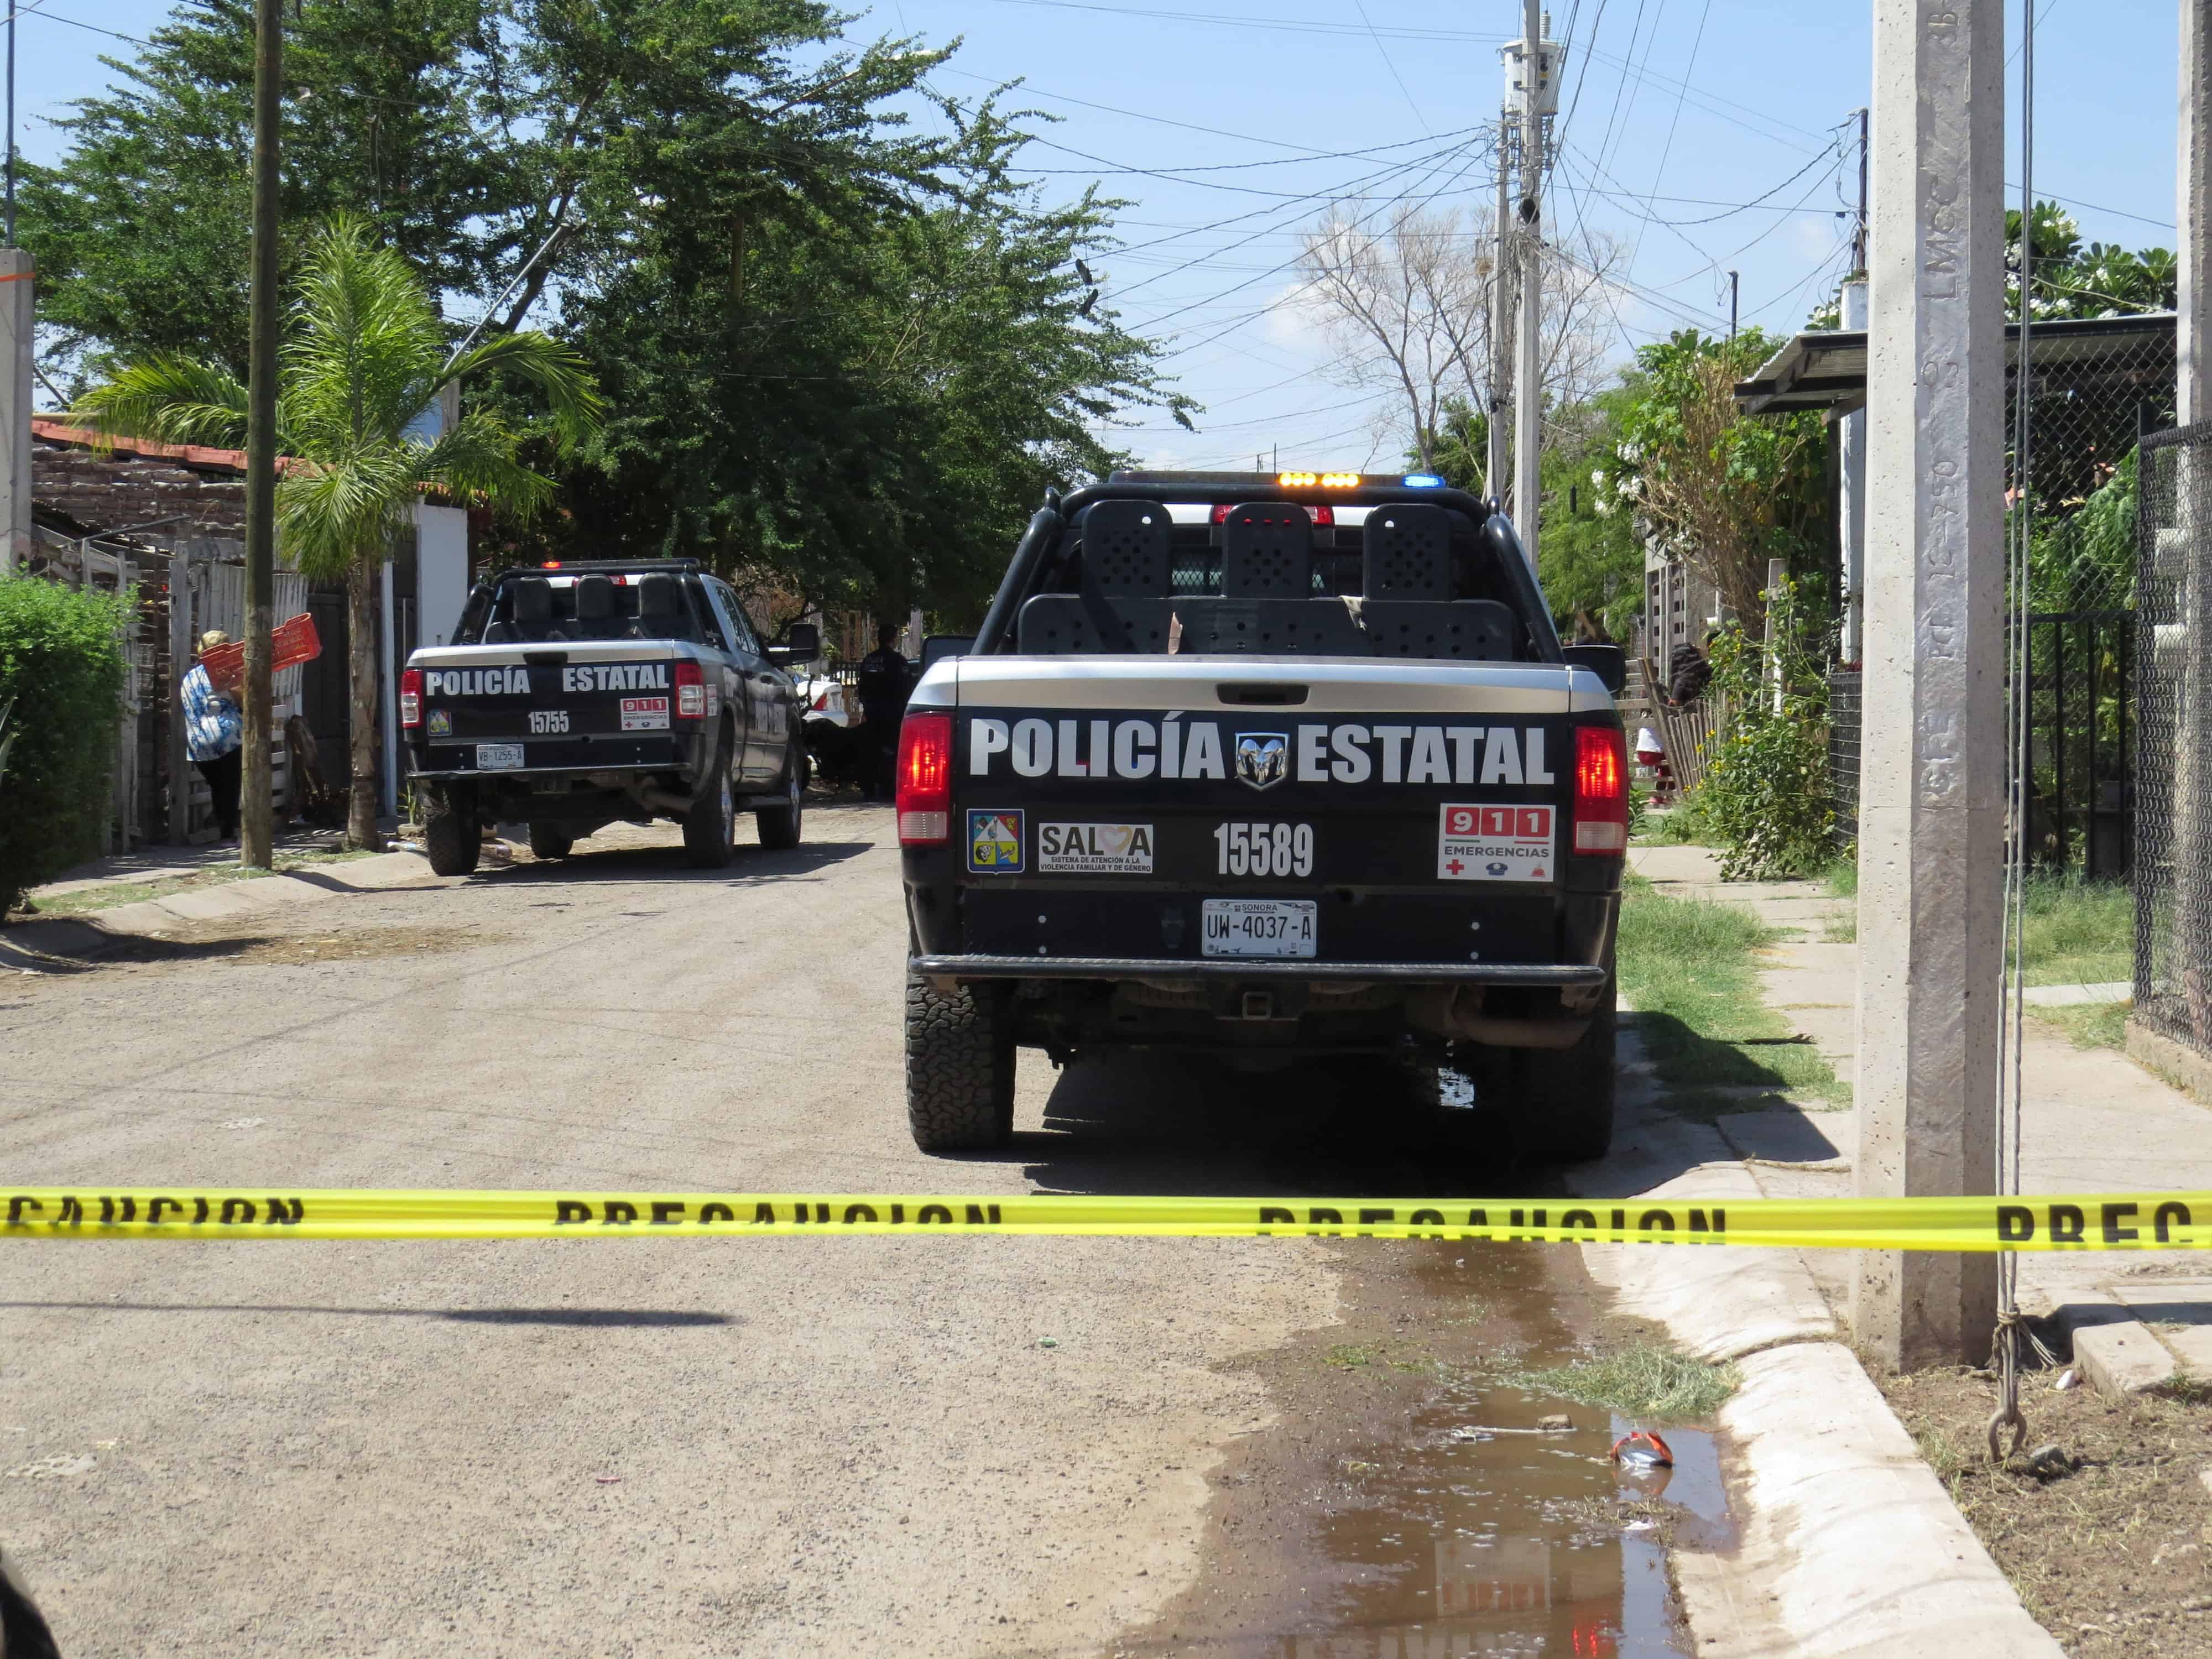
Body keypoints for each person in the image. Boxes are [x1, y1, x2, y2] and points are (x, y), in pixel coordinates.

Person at [181, 629, 244, 843]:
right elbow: (244, 703)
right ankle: (228, 833)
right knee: (230, 786)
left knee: (219, 786)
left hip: (197, 744)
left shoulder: (189, 676)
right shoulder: (225, 674)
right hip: (226, 738)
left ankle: (219, 825)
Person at [854, 623, 912, 800]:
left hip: (873, 713)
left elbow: (861, 688)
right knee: (892, 751)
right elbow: (907, 687)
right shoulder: (898, 661)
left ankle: (870, 789)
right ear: (893, 639)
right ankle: (888, 789)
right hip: (893, 714)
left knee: (871, 750)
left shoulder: (869, 660)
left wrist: (867, 706)